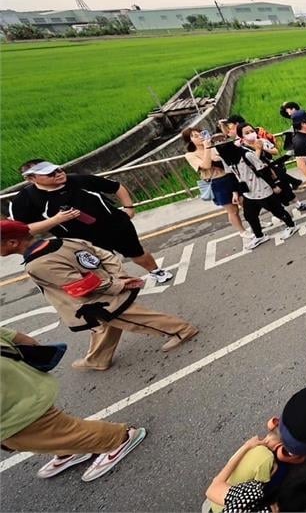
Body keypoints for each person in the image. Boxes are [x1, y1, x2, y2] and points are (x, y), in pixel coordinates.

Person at [0, 220, 198, 371]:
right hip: (103, 292)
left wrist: (117, 284)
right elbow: (102, 254)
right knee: (102, 326)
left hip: (96, 300)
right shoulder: (62, 241)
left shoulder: (37, 264)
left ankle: (181, 330)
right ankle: (98, 359)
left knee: (135, 318)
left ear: (12, 242)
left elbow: (80, 286)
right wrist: (117, 275)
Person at [1, 326, 148, 482]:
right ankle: (70, 449)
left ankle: (119, 438)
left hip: (13, 402)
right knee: (37, 435)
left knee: (38, 432)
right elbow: (24, 340)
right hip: (21, 385)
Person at [9, 161, 173, 284]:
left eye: (58, 169)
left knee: (137, 252)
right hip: (80, 241)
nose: (58, 174)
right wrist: (57, 220)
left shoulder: (80, 180)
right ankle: (120, 286)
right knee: (102, 265)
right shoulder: (25, 200)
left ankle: (156, 271)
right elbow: (24, 230)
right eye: (50, 174)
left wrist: (129, 208)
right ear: (31, 178)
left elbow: (117, 187)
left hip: (115, 226)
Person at [222, 138, 299, 250]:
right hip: (248, 193)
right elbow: (231, 176)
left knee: (277, 211)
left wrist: (273, 185)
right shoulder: (226, 159)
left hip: (262, 189)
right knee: (249, 215)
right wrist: (235, 193)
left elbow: (263, 170)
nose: (221, 150)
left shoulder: (246, 155)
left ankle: (292, 226)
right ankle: (259, 236)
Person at [182, 129, 248, 246]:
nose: (198, 137)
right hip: (217, 182)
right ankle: (242, 231)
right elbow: (206, 165)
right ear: (190, 140)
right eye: (194, 136)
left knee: (246, 202)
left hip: (230, 176)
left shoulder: (214, 146)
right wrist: (207, 148)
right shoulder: (191, 155)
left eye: (199, 134)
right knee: (232, 210)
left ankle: (255, 222)